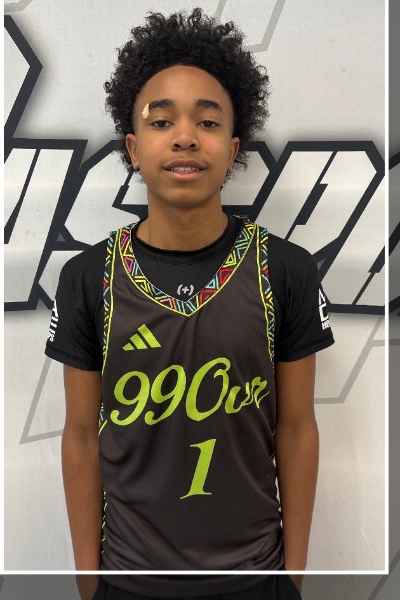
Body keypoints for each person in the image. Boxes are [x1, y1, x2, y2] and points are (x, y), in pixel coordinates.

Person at [45, 7, 334, 600]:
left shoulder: (286, 270)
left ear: (232, 149)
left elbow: (297, 428)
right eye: (161, 121)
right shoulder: (87, 278)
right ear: (133, 147)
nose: (184, 136)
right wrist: (88, 577)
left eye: (207, 121)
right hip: (128, 577)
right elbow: (80, 436)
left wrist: (294, 574)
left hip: (255, 576)